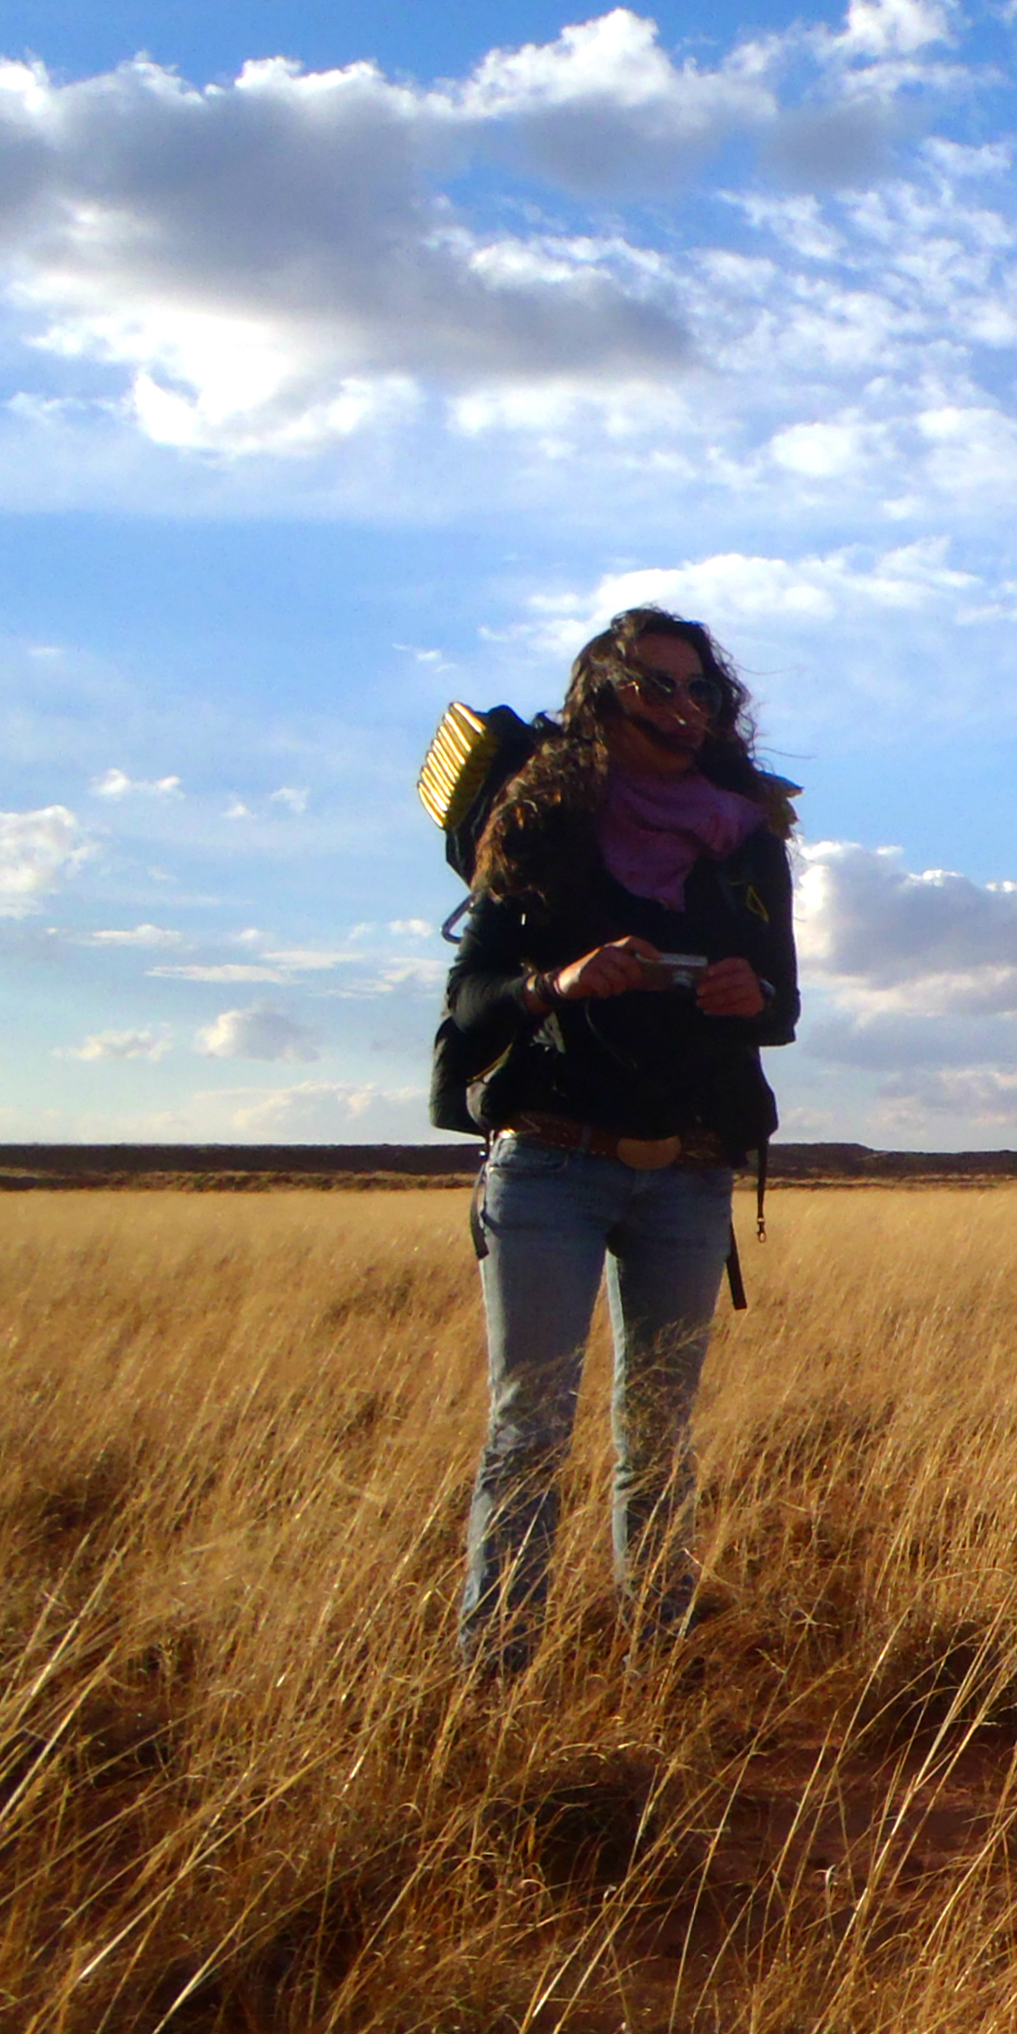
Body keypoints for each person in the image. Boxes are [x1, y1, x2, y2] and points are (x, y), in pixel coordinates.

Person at [439, 609, 796, 1672]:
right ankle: (496, 1676)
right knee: (530, 1435)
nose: (684, 711)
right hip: (550, 1159)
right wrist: (560, 981)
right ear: (601, 695)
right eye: (657, 687)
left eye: (701, 693)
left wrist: (748, 991)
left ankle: (661, 1657)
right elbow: (470, 1002)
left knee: (660, 1437)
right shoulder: (541, 819)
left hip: (687, 1172)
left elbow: (783, 1007)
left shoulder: (744, 841)